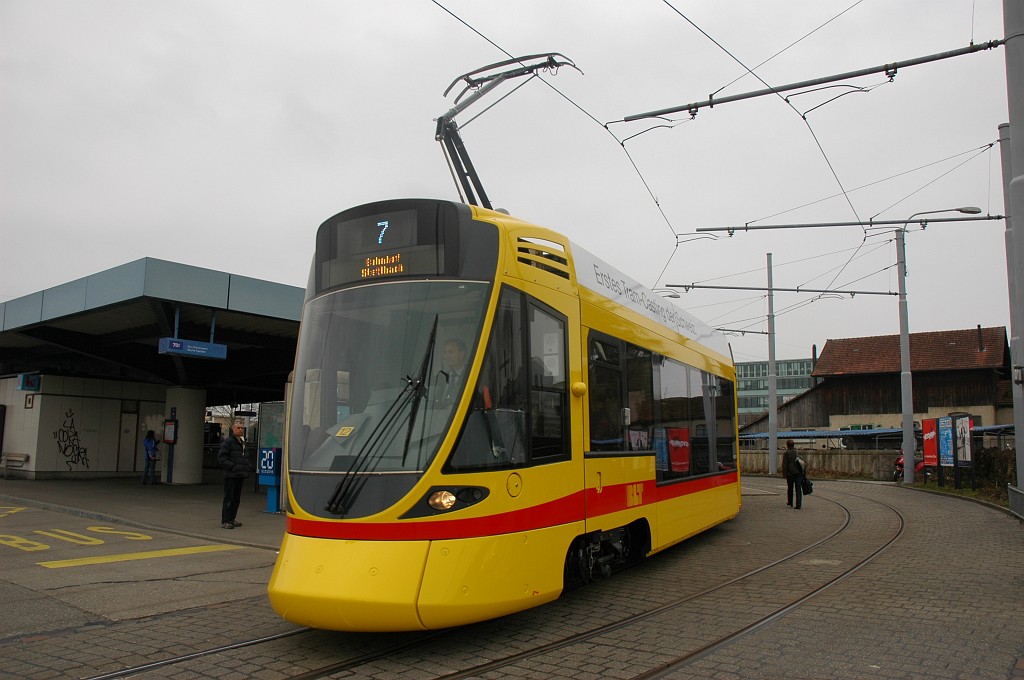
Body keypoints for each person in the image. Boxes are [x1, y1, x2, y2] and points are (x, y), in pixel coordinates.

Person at [217, 420, 251, 529]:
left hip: (240, 474)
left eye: (242, 428)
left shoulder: (243, 442)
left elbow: (245, 456)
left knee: (236, 498)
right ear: (233, 429)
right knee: (229, 497)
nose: (240, 429)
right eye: (238, 428)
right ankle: (226, 520)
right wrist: (232, 467)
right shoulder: (228, 442)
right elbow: (222, 458)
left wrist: (247, 466)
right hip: (231, 474)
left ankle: (232, 518)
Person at [441, 338, 468, 402]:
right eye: (445, 352)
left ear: (462, 354)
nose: (445, 356)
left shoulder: (470, 376)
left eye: (451, 352)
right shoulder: (440, 378)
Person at [783, 439, 804, 509]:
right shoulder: (797, 452)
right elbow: (802, 462)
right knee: (798, 489)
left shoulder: (786, 453)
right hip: (799, 473)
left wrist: (785, 475)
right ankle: (798, 504)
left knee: (790, 488)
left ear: (787, 445)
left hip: (790, 473)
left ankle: (790, 501)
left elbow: (785, 465)